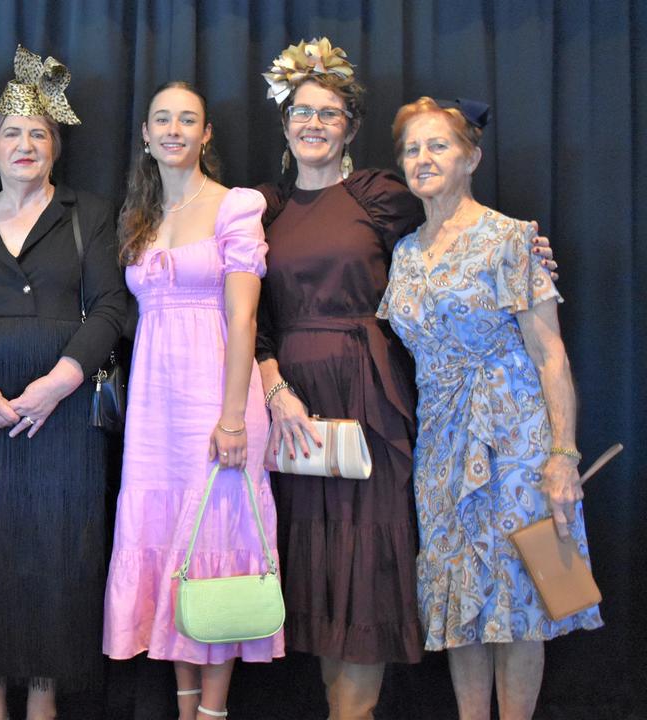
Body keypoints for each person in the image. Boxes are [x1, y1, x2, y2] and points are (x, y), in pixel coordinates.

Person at [379, 96, 601, 720]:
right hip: (441, 446)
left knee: (522, 596)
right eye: (412, 149)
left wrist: (563, 454)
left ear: (471, 157)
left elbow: (550, 354)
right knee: (460, 601)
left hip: (516, 441)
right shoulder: (404, 254)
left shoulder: (512, 238)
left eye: (438, 146)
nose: (422, 158)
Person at [0, 46, 127, 720]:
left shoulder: (88, 214)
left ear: (57, 147)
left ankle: (43, 701)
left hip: (63, 419)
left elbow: (110, 308)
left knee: (55, 555)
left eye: (38, 133)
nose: (25, 144)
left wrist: (58, 384)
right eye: (11, 133)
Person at [253, 38, 425, 720]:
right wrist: (273, 389)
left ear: (350, 127)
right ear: (286, 121)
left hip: (367, 392)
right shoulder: (261, 207)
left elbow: (446, 232)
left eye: (329, 112)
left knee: (365, 565)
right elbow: (248, 316)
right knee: (320, 573)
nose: (314, 123)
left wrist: (518, 246)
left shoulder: (379, 195)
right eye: (302, 110)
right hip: (292, 401)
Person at [103, 81, 280, 720]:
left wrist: (234, 416)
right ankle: (185, 707)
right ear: (146, 136)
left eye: (188, 120)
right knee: (170, 546)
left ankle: (213, 712)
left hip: (217, 397)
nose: (174, 130)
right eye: (161, 120)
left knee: (218, 548)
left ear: (206, 135)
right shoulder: (140, 217)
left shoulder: (235, 206)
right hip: (156, 406)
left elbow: (245, 317)